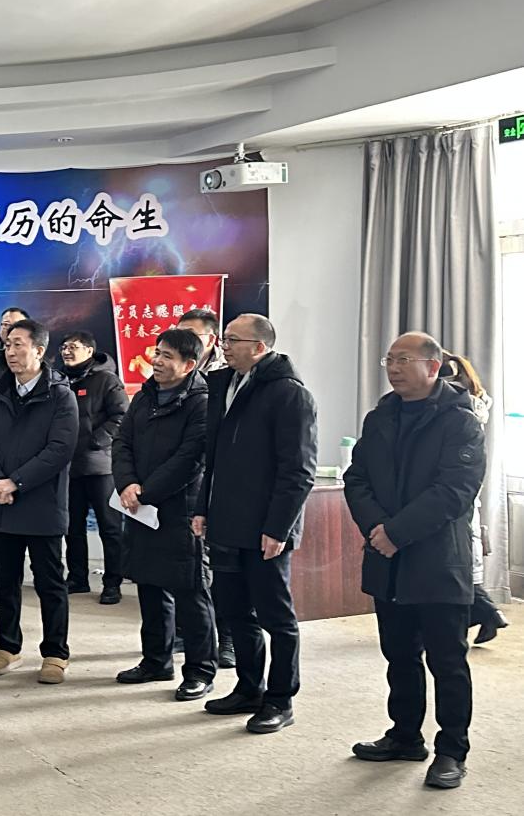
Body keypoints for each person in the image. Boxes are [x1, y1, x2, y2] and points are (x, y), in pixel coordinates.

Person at [344, 332, 486, 790]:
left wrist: (396, 533)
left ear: (432, 366)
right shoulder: (380, 416)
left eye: (403, 359)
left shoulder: (460, 420)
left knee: (447, 661)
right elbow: (356, 478)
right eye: (389, 359)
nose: (393, 367)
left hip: (438, 559)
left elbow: (455, 491)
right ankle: (405, 735)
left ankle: (452, 750)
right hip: (387, 559)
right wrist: (377, 529)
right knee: (399, 654)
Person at [193, 313, 316, 734]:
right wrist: (202, 507)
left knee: (276, 618)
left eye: (232, 340)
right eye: (224, 339)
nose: (224, 346)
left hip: (266, 529)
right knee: (234, 611)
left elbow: (298, 471)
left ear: (260, 347)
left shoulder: (289, 394)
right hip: (226, 521)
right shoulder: (224, 385)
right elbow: (213, 459)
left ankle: (280, 699)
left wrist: (279, 528)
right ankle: (249, 688)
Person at [0, 318, 79, 684]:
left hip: (42, 502)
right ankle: (7, 647)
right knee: (5, 580)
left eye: (19, 344)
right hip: (2, 502)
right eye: (7, 344)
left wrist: (15, 482)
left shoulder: (59, 395)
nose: (11, 351)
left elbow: (60, 449)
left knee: (50, 582)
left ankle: (55, 653)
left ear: (39, 350)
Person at [112, 329, 216, 701]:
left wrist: (145, 492)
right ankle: (156, 660)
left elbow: (190, 459)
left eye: (167, 356)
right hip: (140, 507)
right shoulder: (145, 396)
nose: (156, 361)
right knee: (149, 584)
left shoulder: (202, 402)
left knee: (190, 591)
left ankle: (200, 670)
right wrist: (127, 483)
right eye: (157, 353)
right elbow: (121, 442)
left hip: (180, 510)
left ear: (189, 365)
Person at [177, 308, 235, 668]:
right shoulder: (175, 373)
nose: (184, 341)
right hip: (181, 486)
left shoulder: (226, 376)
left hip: (217, 483)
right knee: (185, 565)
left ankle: (227, 638)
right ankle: (186, 633)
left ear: (212, 340)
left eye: (193, 335)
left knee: (221, 567)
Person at [440, 351, 509, 644]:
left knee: (458, 565)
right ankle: (485, 613)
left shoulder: (455, 409)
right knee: (462, 563)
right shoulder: (474, 402)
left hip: (457, 491)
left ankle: (487, 612)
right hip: (468, 489)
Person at [58, 330, 129, 603]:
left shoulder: (106, 379)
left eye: (73, 346)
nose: (66, 351)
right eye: (64, 346)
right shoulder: (59, 380)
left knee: (110, 528)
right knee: (72, 527)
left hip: (100, 467)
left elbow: (122, 416)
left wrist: (96, 441)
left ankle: (113, 583)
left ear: (89, 351)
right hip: (68, 466)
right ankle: (77, 578)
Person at [178, 308, 227, 373]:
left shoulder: (227, 364)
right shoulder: (169, 359)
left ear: (211, 339)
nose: (182, 339)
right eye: (178, 334)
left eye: (190, 334)